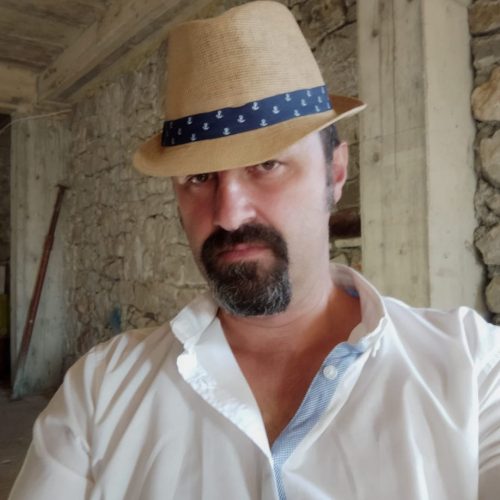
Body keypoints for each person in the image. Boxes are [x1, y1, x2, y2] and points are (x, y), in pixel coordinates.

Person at [9, 2, 500, 499]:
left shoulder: (472, 369)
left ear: (335, 173)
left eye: (266, 165)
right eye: (199, 177)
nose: (228, 213)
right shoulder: (101, 391)